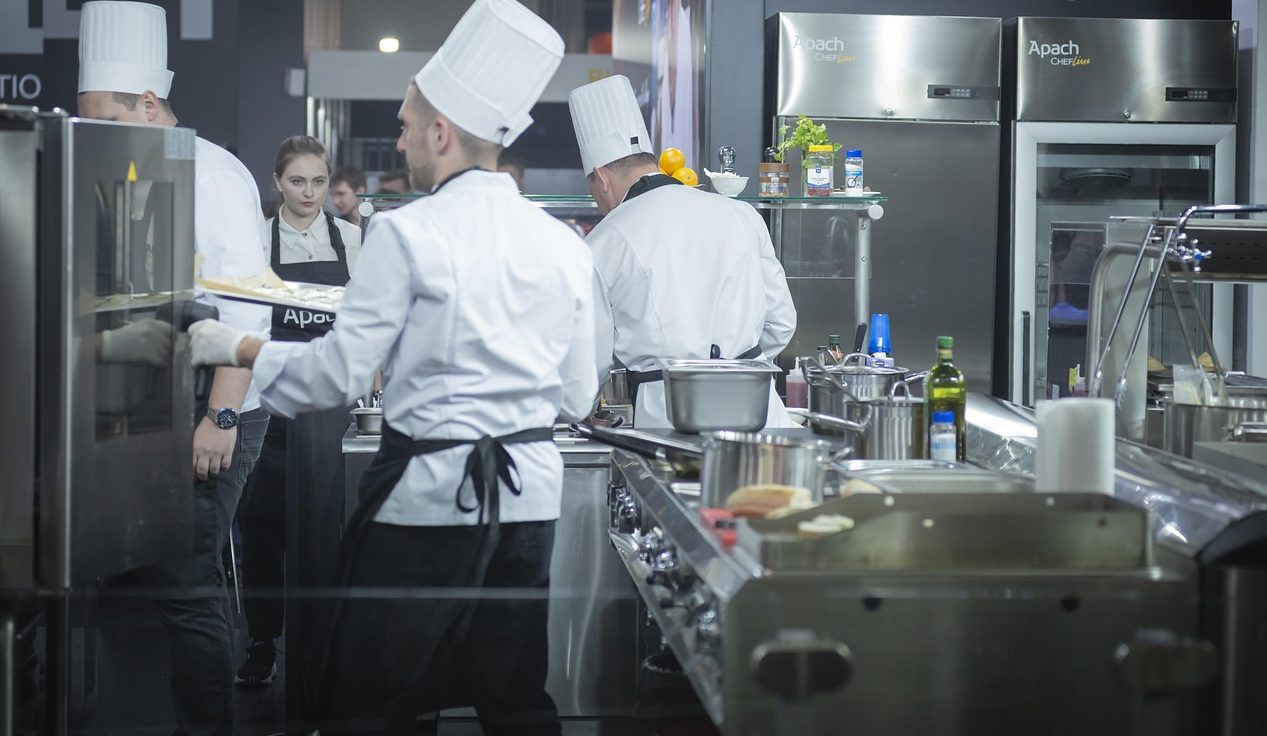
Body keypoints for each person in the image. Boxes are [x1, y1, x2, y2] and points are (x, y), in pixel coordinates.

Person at [189, 0, 594, 732]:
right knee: (514, 697)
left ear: (441, 132)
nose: (400, 137)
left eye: (406, 124)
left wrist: (238, 347)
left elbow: (333, 378)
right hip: (529, 500)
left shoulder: (406, 234)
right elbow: (579, 390)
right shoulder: (563, 242)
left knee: (373, 698)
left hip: (428, 500)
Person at [76, 2, 271, 734]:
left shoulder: (212, 172)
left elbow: (245, 314)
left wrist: (218, 418)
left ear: (149, 104)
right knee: (133, 577)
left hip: (216, 409)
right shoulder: (119, 171)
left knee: (189, 582)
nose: (88, 132)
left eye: (101, 117)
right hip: (147, 403)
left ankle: (206, 726)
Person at [568, 74, 797, 428]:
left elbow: (588, 361)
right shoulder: (739, 212)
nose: (599, 203)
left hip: (669, 424)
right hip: (759, 416)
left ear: (601, 178)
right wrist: (736, 368)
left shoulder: (602, 242)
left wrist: (580, 409)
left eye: (594, 191)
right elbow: (781, 323)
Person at [234, 135, 362, 689]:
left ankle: (320, 654)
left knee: (322, 531)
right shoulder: (256, 239)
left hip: (329, 406)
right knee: (262, 529)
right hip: (269, 400)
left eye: (317, 182)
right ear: (276, 182)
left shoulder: (353, 238)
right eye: (297, 182)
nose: (309, 193)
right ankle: (263, 641)